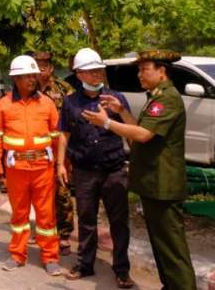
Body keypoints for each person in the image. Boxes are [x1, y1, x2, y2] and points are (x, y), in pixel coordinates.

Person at [82, 50, 195, 290]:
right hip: (154, 183)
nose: (139, 74)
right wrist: (121, 111)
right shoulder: (155, 97)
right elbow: (140, 131)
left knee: (172, 248)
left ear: (162, 71)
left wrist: (107, 122)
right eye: (139, 70)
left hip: (163, 184)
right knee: (161, 244)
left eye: (144, 69)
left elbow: (143, 135)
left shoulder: (167, 99)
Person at [58, 48, 134, 288]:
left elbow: (133, 129)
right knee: (86, 219)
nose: (97, 74)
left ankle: (122, 270)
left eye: (99, 70)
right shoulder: (70, 102)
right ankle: (85, 264)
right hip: (84, 171)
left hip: (114, 170)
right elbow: (64, 134)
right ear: (79, 74)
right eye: (91, 71)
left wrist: (121, 111)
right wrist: (61, 164)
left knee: (119, 222)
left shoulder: (116, 98)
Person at [0, 55, 62, 277]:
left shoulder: (47, 103)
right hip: (16, 170)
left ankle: (50, 257)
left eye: (33, 75)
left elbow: (57, 136)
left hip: (43, 168)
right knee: (19, 215)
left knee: (46, 215)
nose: (31, 79)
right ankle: (17, 254)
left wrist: (61, 164)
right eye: (26, 76)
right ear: (16, 79)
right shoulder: (3, 105)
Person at [33, 51, 75, 255]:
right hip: (36, 149)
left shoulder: (64, 88)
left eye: (43, 67)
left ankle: (64, 235)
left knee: (62, 192)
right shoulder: (27, 89)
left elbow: (75, 117)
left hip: (60, 149)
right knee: (40, 193)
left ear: (50, 68)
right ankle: (43, 229)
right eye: (37, 67)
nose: (40, 71)